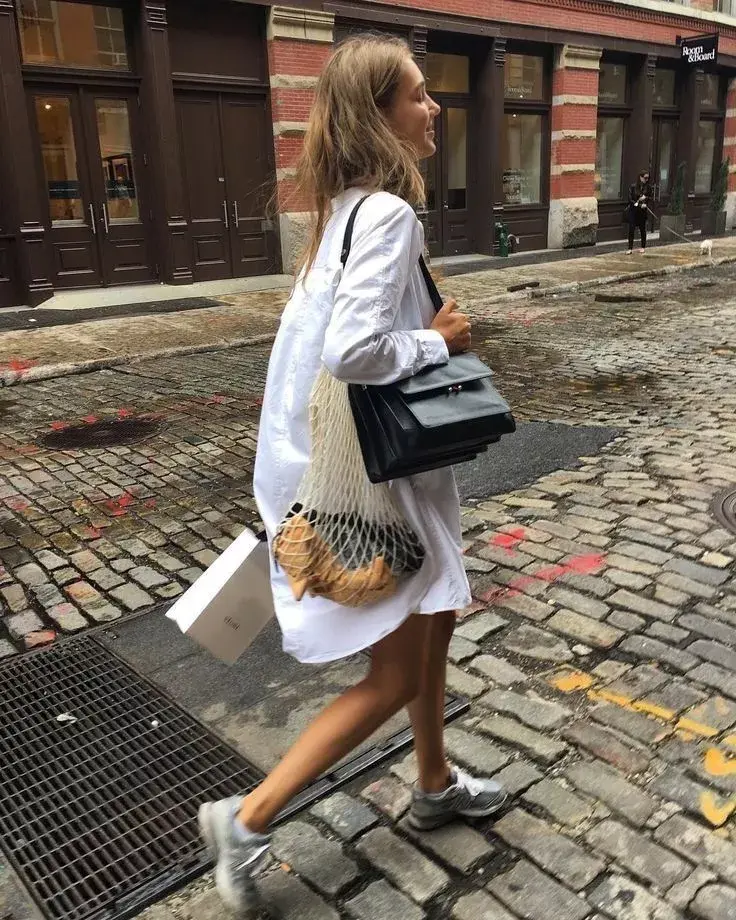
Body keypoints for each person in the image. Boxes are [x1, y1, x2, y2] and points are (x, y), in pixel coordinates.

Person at [198, 35, 507, 914]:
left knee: (438, 615)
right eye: (417, 94)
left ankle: (434, 782)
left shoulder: (339, 215)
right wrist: (436, 341)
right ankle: (245, 819)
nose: (433, 107)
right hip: (371, 484)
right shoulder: (387, 216)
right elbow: (353, 351)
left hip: (351, 466)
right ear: (379, 115)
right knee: (394, 676)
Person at [627, 169, 652, 254]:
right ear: (640, 177)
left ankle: (643, 247)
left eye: (648, 178)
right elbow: (630, 199)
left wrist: (646, 199)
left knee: (642, 229)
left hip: (642, 212)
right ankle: (630, 248)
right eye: (645, 178)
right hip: (633, 211)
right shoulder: (633, 187)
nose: (646, 180)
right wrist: (639, 204)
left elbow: (650, 198)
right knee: (631, 229)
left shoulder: (648, 187)